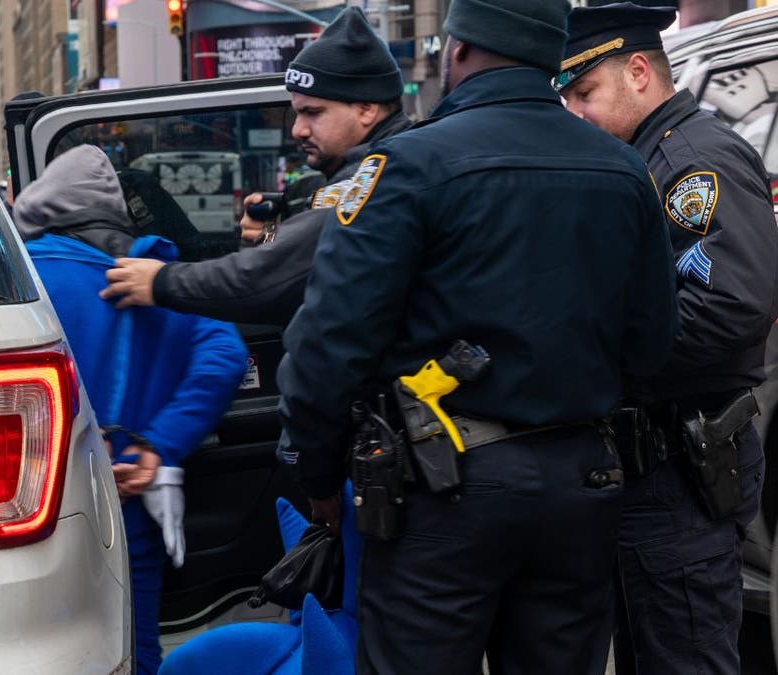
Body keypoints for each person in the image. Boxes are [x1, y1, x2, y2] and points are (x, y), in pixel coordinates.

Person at [276, 0, 679, 673]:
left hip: (443, 488)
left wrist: (316, 473)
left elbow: (329, 345)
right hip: (581, 484)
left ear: (458, 48)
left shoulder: (405, 165)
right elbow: (652, 345)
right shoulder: (623, 169)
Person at [557, 4, 778, 673]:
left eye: (585, 93)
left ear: (640, 70)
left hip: (679, 464)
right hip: (651, 464)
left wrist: (604, 363)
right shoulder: (644, 159)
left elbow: (729, 303)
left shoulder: (691, 161)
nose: (576, 112)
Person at [13, 144, 247, 675]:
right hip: (132, 499)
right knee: (137, 647)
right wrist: (158, 443)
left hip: (41, 508)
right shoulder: (156, 275)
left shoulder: (20, 281)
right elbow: (226, 354)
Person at [100, 7, 411, 326]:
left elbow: (259, 280)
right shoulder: (384, 165)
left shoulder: (377, 178)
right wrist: (277, 232)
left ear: (366, 109)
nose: (297, 130)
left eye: (313, 113)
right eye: (297, 114)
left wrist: (159, 281)